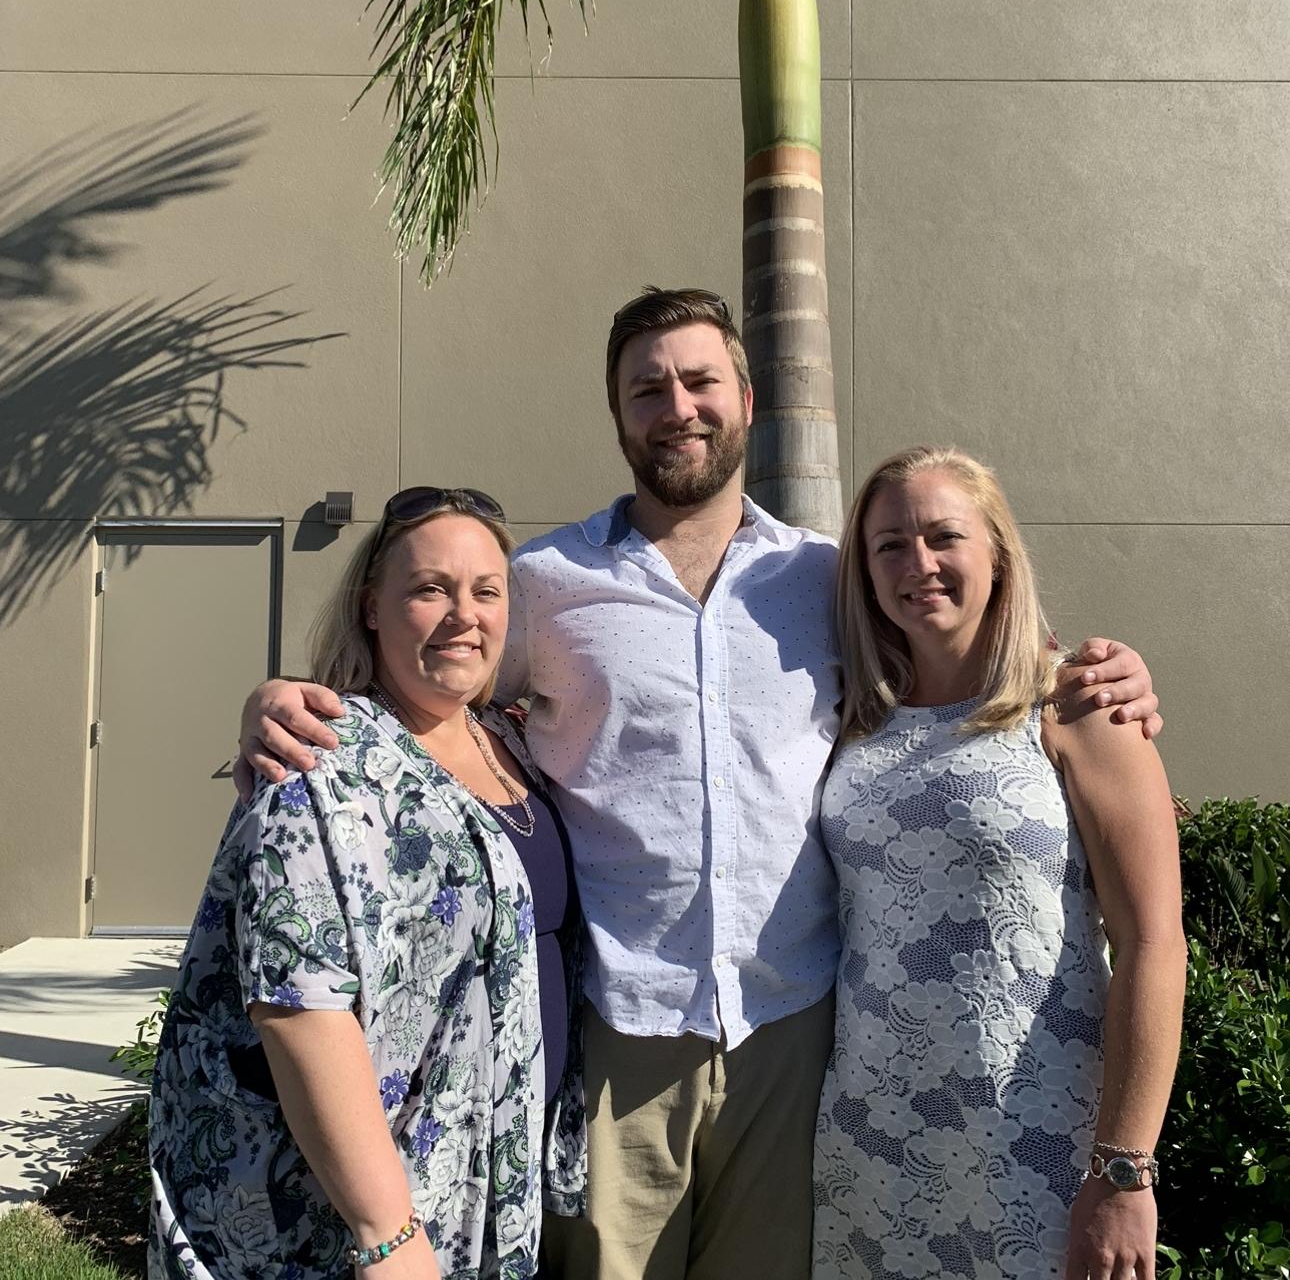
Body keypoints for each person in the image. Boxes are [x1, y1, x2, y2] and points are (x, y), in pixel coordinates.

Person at [235, 289, 1162, 1280]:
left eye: (699, 381)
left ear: (747, 400)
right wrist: (283, 700)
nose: (678, 406)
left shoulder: (829, 579)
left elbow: (973, 660)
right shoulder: (543, 585)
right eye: (648, 389)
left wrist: (1108, 674)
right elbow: (428, 684)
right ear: (619, 415)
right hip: (620, 1038)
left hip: (796, 1040)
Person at [149, 488, 585, 1280]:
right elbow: (297, 1007)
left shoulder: (513, 741)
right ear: (371, 607)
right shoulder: (318, 766)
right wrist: (385, 1231)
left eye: (487, 591)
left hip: (489, 1186)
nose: (464, 615)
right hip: (369, 1219)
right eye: (430, 589)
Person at [813, 446, 1186, 1280]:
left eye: (945, 537)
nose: (919, 564)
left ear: (997, 554)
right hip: (870, 1149)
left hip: (1038, 1145)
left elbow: (1156, 942)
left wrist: (1126, 1171)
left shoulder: (1080, 706)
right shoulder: (853, 720)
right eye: (889, 545)